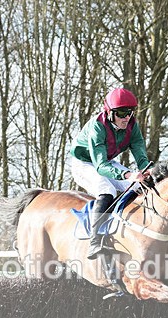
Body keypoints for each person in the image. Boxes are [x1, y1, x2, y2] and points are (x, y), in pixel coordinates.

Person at [70, 87, 152, 259]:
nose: (126, 117)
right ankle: (94, 240)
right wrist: (128, 175)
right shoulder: (97, 127)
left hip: (107, 161)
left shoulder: (132, 124)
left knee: (140, 184)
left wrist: (145, 170)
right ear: (109, 112)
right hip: (84, 163)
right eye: (121, 113)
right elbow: (100, 167)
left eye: (129, 112)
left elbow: (138, 149)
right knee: (107, 189)